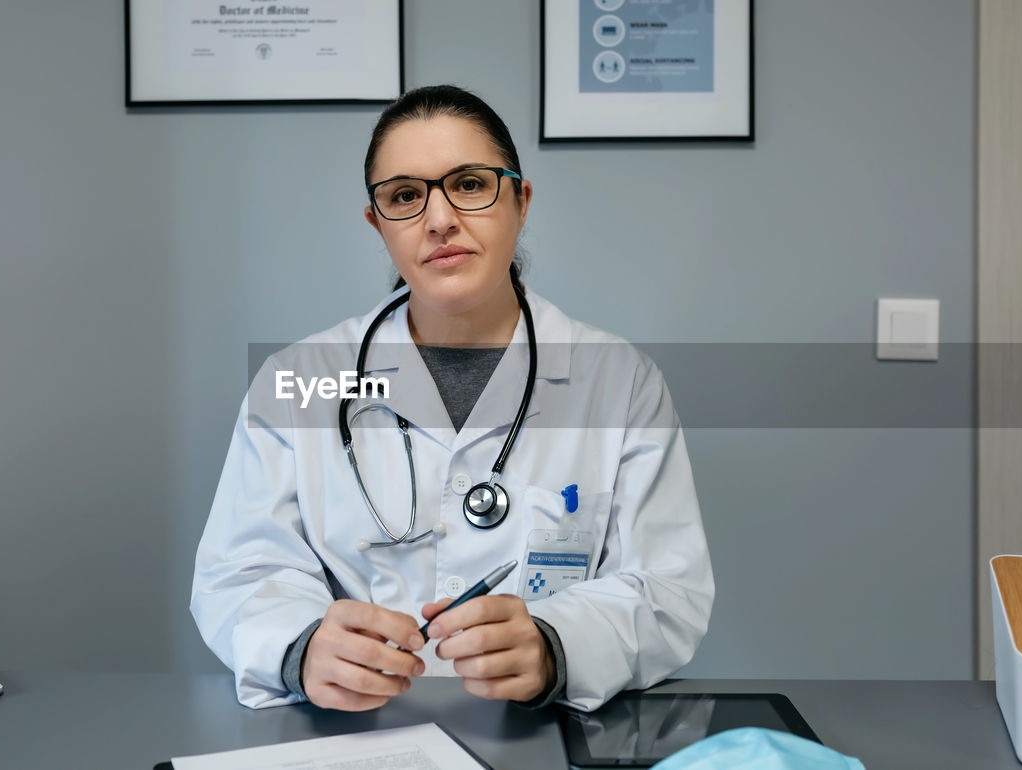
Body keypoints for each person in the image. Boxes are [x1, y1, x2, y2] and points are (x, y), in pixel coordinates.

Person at [191, 85, 713, 713]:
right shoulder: (301, 378)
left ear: (520, 201)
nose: (439, 219)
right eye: (405, 197)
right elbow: (237, 575)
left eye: (469, 184)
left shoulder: (619, 381)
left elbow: (668, 590)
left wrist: (556, 644)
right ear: (377, 222)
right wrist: (300, 648)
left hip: (539, 735)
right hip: (354, 738)